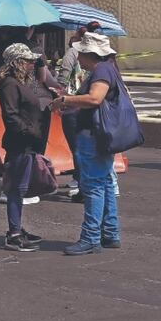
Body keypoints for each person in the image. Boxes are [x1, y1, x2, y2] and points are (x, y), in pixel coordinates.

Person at [51, 32, 124, 255]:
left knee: (93, 186)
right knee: (105, 184)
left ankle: (91, 237)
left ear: (89, 54)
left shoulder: (101, 71)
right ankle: (110, 233)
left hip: (93, 136)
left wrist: (66, 100)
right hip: (100, 135)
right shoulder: (107, 69)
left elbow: (95, 98)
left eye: (80, 51)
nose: (77, 55)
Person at [0, 43, 46, 252]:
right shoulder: (10, 84)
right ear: (17, 62)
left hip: (27, 143)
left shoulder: (20, 82)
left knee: (20, 189)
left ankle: (16, 229)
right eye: (27, 61)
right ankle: (14, 234)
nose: (32, 64)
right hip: (20, 143)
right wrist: (30, 130)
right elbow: (11, 115)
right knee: (16, 190)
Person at [57, 21, 104, 200]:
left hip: (74, 103)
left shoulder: (73, 53)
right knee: (86, 148)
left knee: (78, 147)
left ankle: (82, 183)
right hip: (87, 107)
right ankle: (84, 182)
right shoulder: (103, 61)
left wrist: (61, 98)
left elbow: (63, 77)